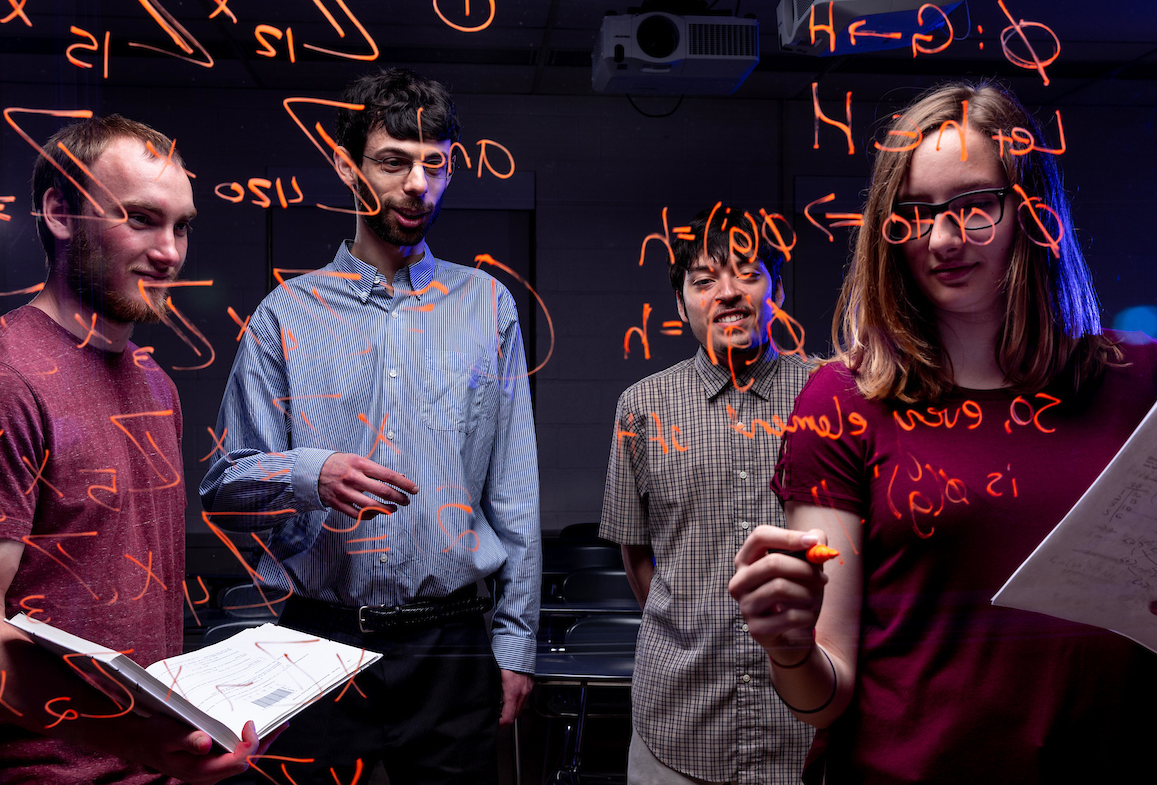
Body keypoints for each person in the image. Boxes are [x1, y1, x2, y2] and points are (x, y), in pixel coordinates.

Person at [728, 80, 1157, 784]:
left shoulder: (1140, 379)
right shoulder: (843, 402)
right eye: (914, 214)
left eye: (975, 206)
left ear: (1032, 211)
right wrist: (790, 650)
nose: (943, 239)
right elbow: (825, 699)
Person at [200, 68, 540, 785]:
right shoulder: (281, 317)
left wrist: (515, 644)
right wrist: (308, 474)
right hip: (315, 643)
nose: (419, 184)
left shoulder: (489, 306)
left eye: (435, 164)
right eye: (393, 162)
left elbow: (513, 490)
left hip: (449, 644)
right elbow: (222, 487)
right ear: (345, 165)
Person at [0, 116, 273, 784]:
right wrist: (132, 737)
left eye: (181, 226)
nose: (171, 251)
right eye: (143, 219)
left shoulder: (156, 384)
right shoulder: (11, 377)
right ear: (61, 214)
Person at [600, 205, 814, 784]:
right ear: (680, 305)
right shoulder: (641, 409)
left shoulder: (831, 395)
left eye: (747, 272)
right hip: (679, 722)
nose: (727, 293)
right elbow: (636, 554)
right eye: (704, 280)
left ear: (777, 289)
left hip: (807, 727)